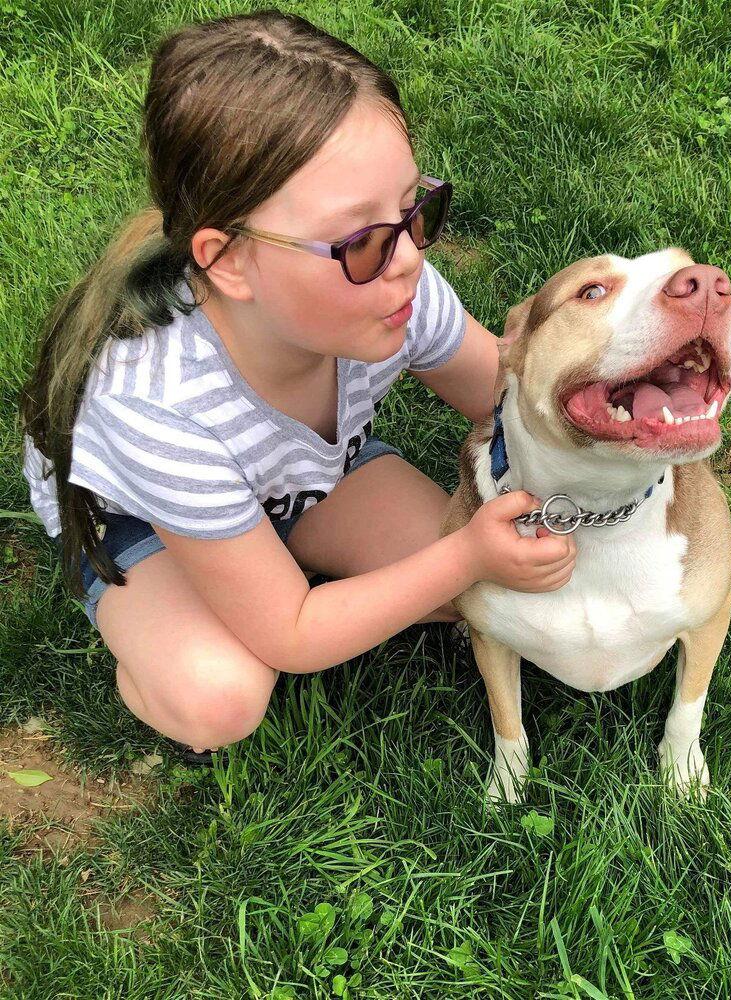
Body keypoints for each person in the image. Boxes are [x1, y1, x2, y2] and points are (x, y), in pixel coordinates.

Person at [18, 10, 576, 765]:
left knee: (491, 594)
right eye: (363, 239)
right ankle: (151, 628)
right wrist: (464, 555)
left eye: (414, 210)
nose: (410, 256)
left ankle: (280, 545)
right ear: (230, 262)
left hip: (306, 476)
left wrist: (616, 411)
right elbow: (292, 634)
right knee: (219, 693)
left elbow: (507, 406)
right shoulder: (154, 405)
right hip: (144, 519)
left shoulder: (391, 286)